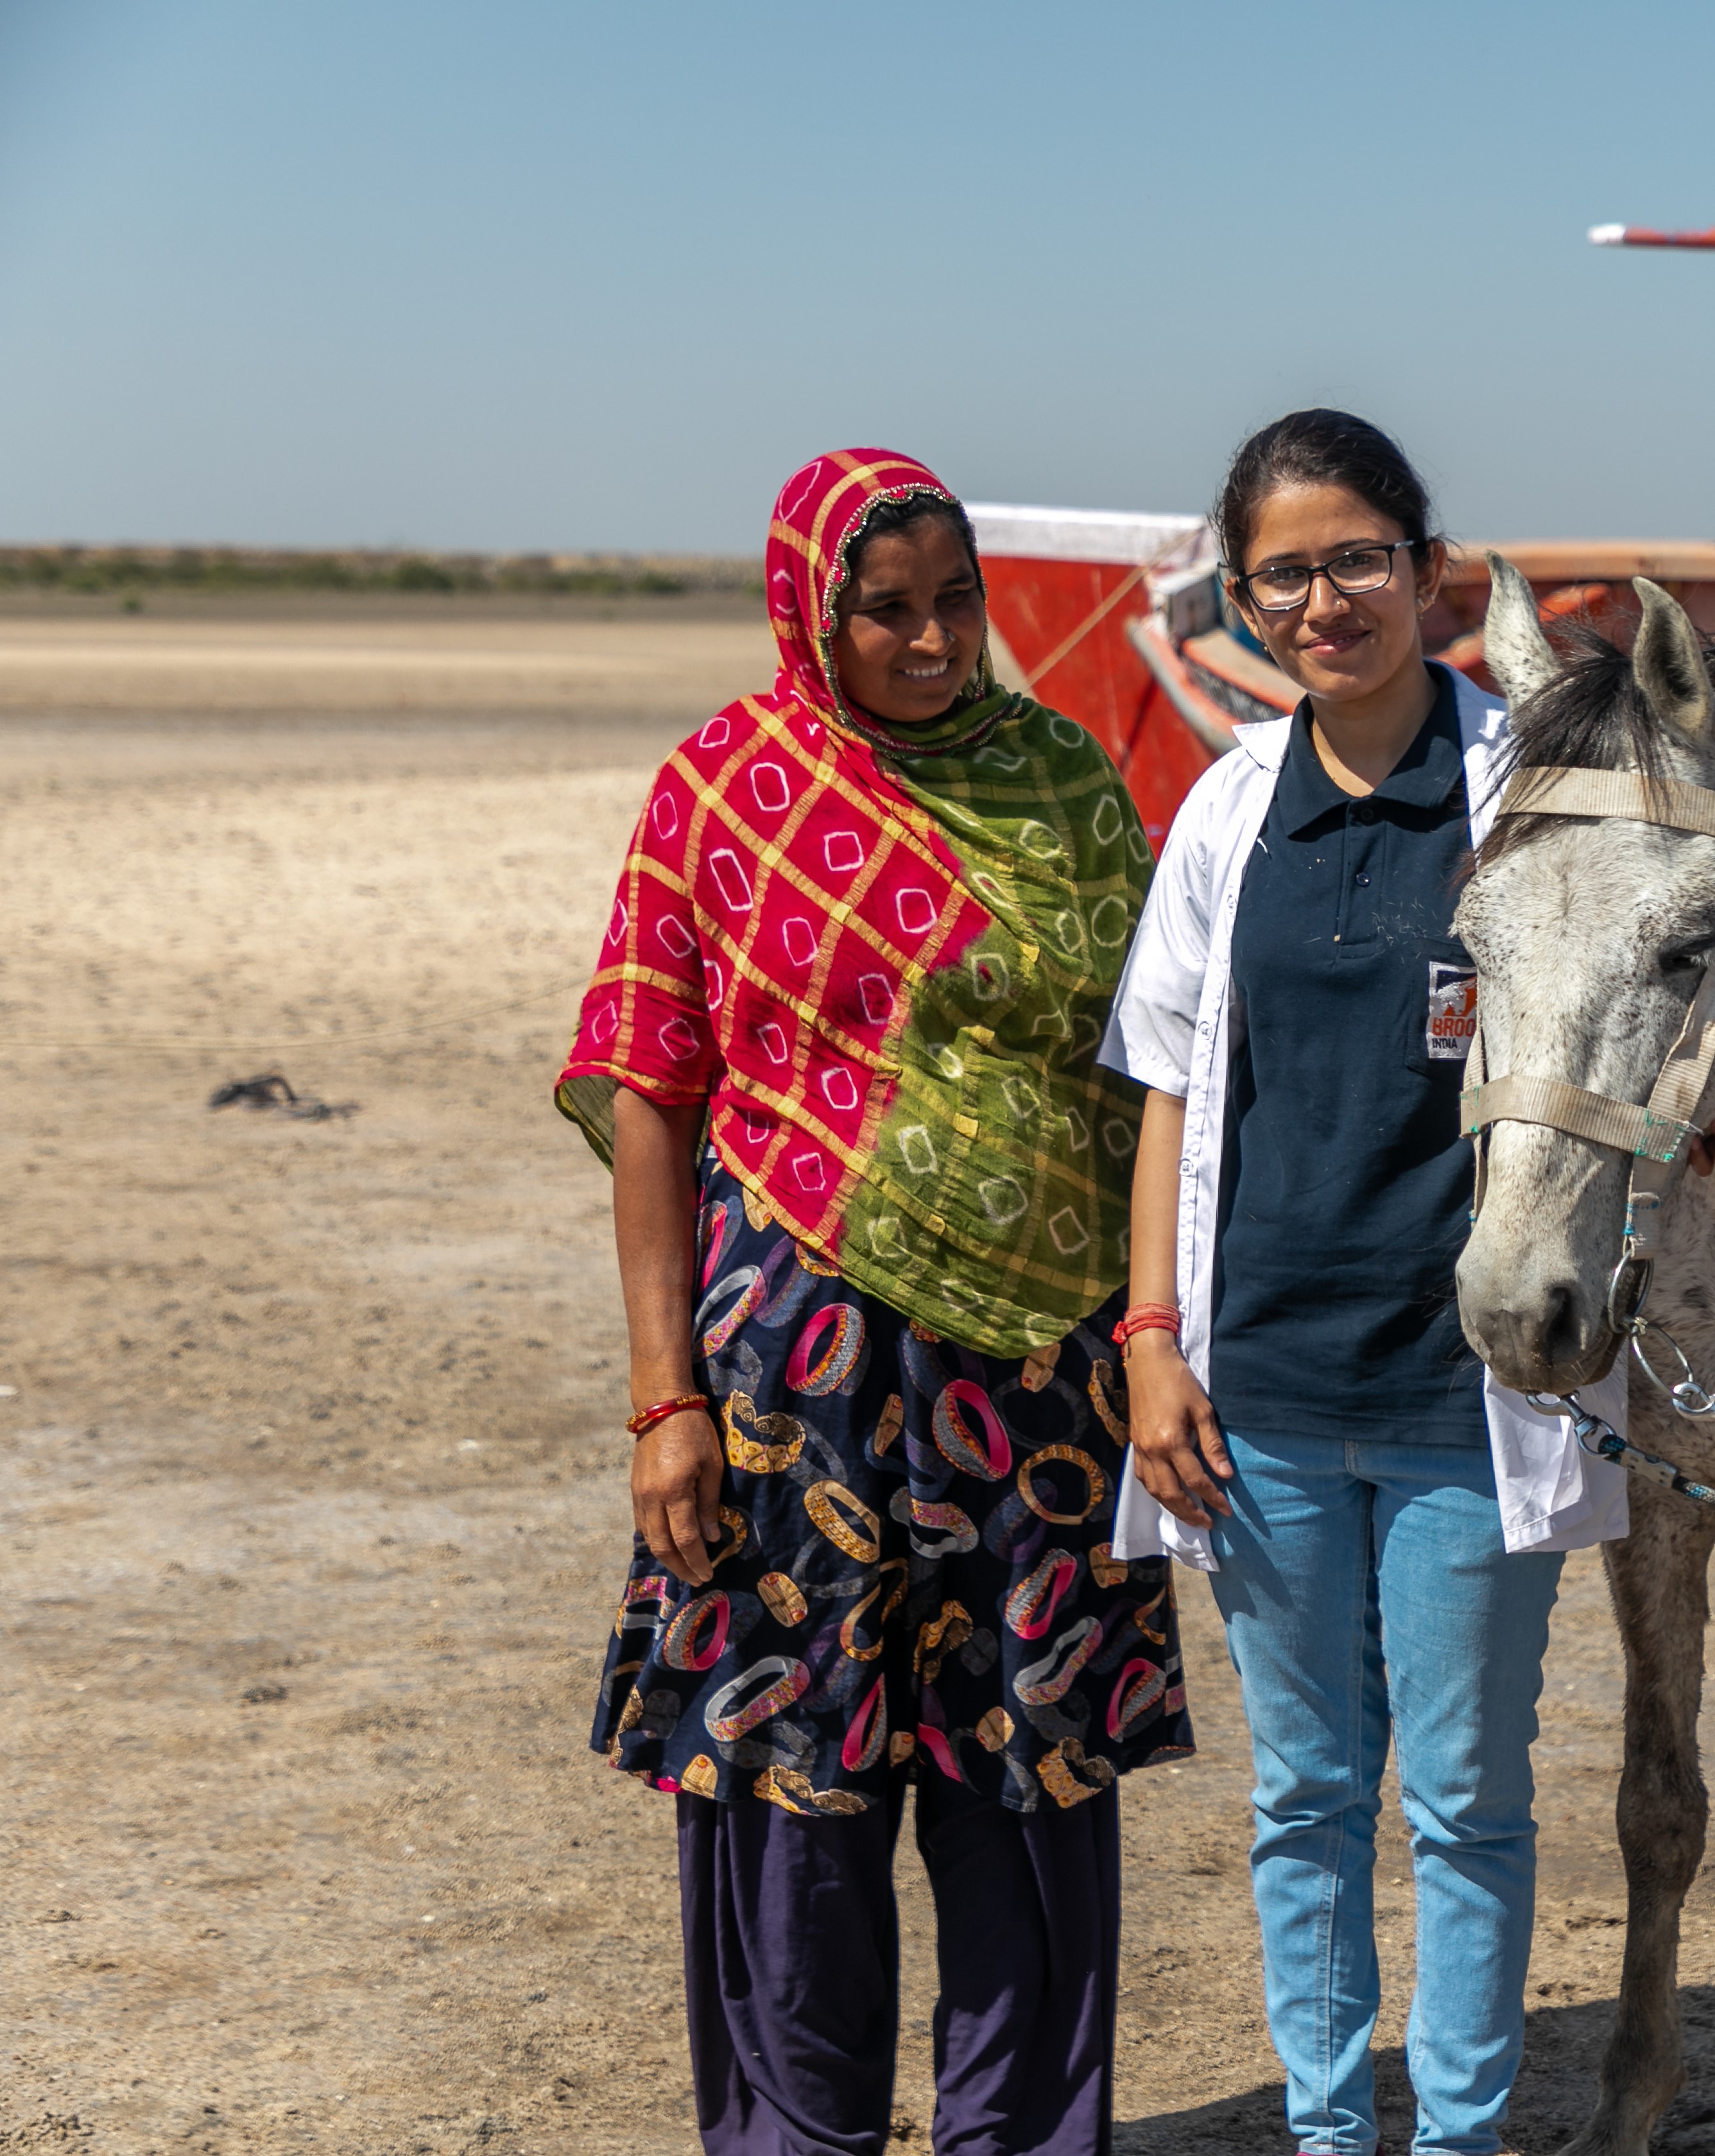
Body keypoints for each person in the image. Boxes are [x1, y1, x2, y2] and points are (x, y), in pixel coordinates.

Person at [1101, 409, 1715, 2156]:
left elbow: (1662, 973)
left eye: (1356, 560)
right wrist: (1153, 1340)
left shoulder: (1526, 787)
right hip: (1258, 1383)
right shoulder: (1225, 811)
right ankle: (1337, 2134)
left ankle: (1462, 2134)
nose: (1324, 600)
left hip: (1467, 1384)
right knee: (1308, 1799)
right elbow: (1173, 1086)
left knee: (1469, 1803)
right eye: (1283, 575)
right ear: (1243, 604)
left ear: (1424, 572)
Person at [558, 448, 1191, 2156]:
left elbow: (1162, 1080)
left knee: (1031, 1794)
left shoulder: (1064, 783)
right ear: (807, 612)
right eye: (885, 610)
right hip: (789, 1382)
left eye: (955, 604)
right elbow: (646, 1096)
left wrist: (1153, 1342)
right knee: (788, 1800)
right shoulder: (720, 789)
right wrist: (663, 1401)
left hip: (1040, 1385)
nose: (929, 642)